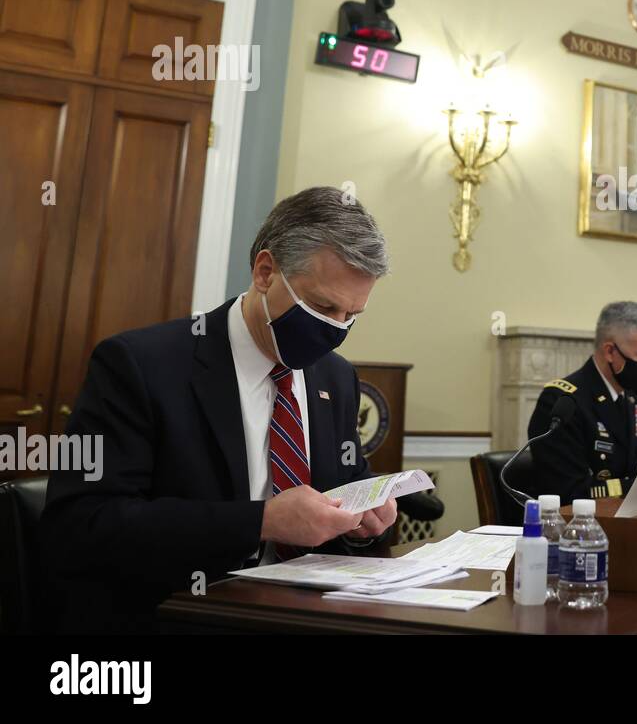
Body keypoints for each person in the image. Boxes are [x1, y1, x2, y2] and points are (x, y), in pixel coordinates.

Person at [40, 187, 397, 632]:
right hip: (181, 615)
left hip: (313, 617)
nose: (334, 331)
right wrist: (261, 521)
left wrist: (364, 520)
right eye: (323, 307)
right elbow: (82, 525)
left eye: (350, 316)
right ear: (265, 271)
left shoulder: (335, 377)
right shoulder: (141, 365)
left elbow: (343, 485)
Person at [527, 301, 637, 503]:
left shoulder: (631, 397)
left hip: (628, 516)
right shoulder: (562, 401)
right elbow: (568, 491)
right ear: (609, 351)